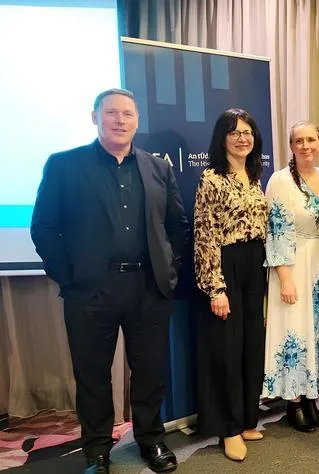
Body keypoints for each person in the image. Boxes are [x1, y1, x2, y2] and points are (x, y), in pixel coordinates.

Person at [30, 88, 187, 474]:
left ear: (137, 121)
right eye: (112, 113)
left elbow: (177, 225)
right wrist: (68, 276)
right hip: (90, 291)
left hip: (148, 288)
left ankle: (151, 440)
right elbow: (45, 227)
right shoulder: (65, 165)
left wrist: (168, 269)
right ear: (95, 117)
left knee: (150, 372)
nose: (120, 120)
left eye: (128, 114)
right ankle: (97, 451)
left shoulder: (157, 167)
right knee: (92, 375)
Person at [194, 108, 269, 462]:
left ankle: (247, 419)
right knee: (226, 349)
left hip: (255, 264)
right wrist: (215, 288)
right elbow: (205, 235)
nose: (243, 138)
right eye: (234, 132)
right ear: (221, 138)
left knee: (251, 345)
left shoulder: (255, 176)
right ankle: (228, 428)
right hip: (225, 265)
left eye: (247, 132)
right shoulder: (211, 178)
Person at [263, 121, 319, 432]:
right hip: (292, 263)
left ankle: (311, 397)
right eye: (299, 140)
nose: (306, 146)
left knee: (317, 331)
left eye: (311, 140)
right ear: (291, 145)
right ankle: (294, 402)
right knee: (293, 329)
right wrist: (285, 276)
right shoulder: (280, 180)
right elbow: (276, 230)